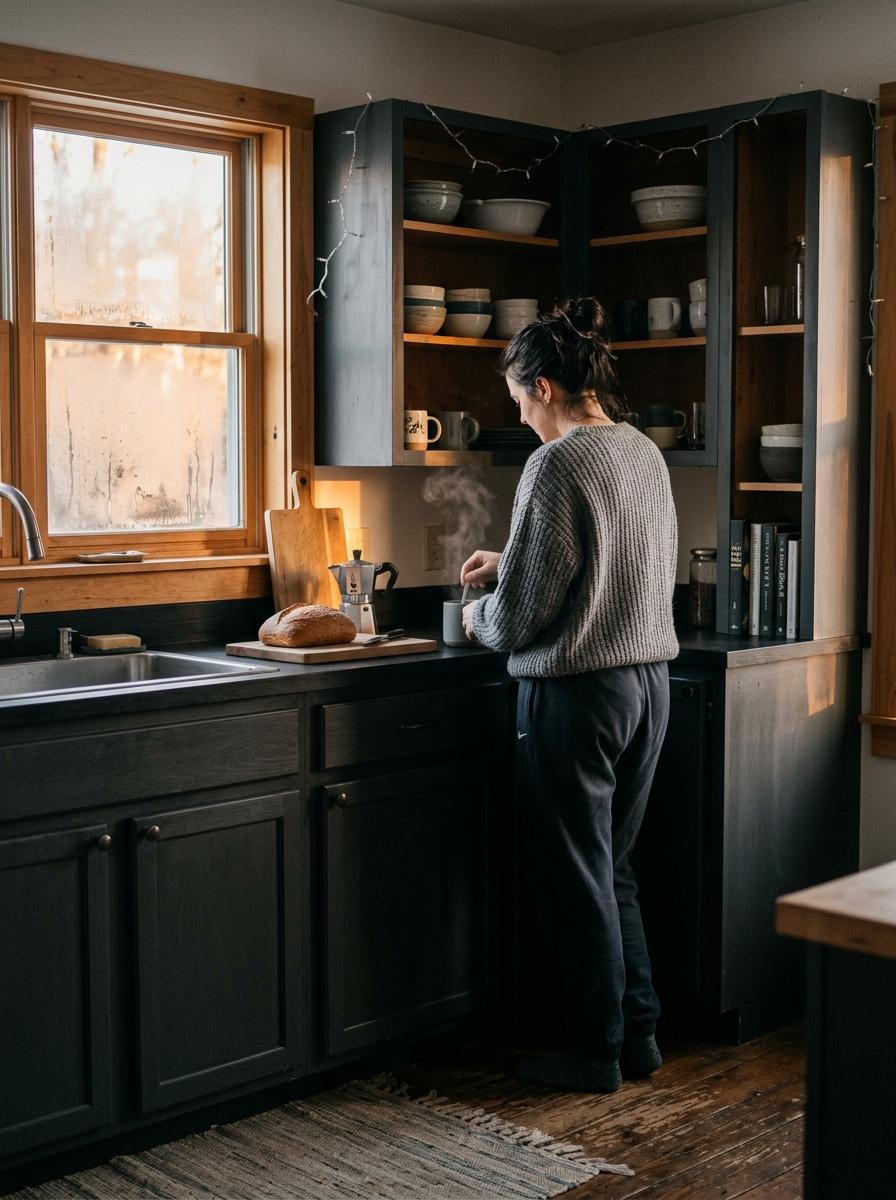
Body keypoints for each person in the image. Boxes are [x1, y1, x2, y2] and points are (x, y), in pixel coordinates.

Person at [459, 297, 678, 1094]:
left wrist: (476, 610)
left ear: (544, 387)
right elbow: (606, 556)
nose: (522, 419)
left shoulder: (554, 462)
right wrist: (510, 552)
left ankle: (592, 1053)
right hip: (648, 686)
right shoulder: (640, 450)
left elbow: (521, 617)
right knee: (612, 867)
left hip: (579, 695)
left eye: (520, 403)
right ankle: (640, 1036)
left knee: (576, 876)